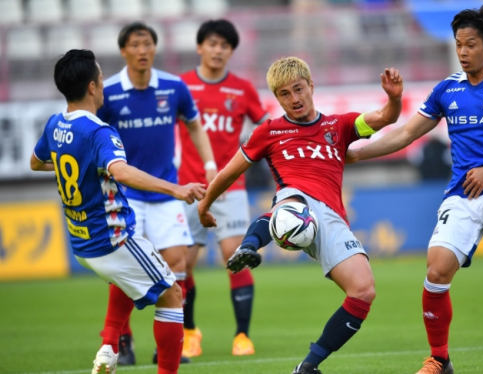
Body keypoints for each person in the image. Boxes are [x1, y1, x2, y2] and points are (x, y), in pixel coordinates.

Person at [346, 2, 483, 374]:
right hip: (461, 193)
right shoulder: (447, 90)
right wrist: (358, 153)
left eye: (471, 44)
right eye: (458, 44)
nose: (463, 52)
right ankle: (439, 359)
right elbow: (407, 133)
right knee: (436, 272)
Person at [197, 57, 404, 374]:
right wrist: (205, 203)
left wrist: (394, 97)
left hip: (331, 218)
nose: (294, 99)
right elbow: (230, 170)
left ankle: (308, 366)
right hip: (294, 203)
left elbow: (385, 117)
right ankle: (250, 245)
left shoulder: (340, 126)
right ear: (276, 98)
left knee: (363, 291)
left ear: (311, 86)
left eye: (298, 89)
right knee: (292, 207)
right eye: (284, 94)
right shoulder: (269, 131)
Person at [30, 49, 206, 374]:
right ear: (93, 87)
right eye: (99, 76)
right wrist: (176, 189)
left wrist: (80, 169)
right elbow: (121, 172)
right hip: (112, 239)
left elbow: (37, 161)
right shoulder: (100, 132)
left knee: (127, 276)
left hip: (81, 243)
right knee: (172, 295)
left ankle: (109, 346)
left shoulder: (56, 125)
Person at [96, 22, 216, 365]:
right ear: (123, 51)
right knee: (126, 268)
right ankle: (122, 340)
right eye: (135, 44)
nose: (142, 50)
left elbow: (194, 123)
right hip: (125, 195)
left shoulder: (174, 87)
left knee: (176, 263)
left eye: (147, 43)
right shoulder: (110, 92)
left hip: (166, 193)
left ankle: (166, 343)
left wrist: (209, 164)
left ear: (154, 47)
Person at [177, 19, 270, 358]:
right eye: (212, 44)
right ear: (200, 47)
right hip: (189, 188)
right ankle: (189, 332)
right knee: (182, 264)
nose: (218, 50)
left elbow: (265, 128)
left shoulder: (243, 89)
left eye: (225, 46)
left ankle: (242, 336)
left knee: (237, 257)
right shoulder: (181, 86)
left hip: (231, 187)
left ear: (231, 51)